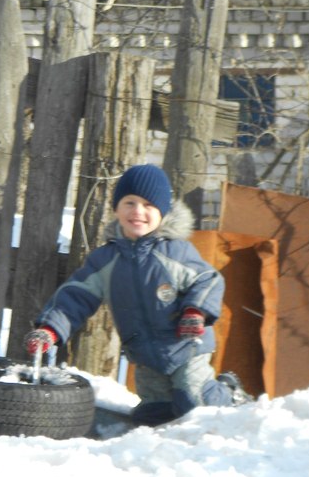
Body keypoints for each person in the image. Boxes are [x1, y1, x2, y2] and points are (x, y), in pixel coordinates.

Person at [25, 163, 252, 426]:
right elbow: (75, 296)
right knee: (153, 414)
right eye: (129, 203)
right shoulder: (105, 261)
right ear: (116, 209)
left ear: (163, 212)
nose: (138, 212)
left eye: (148, 205)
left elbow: (208, 280)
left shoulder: (175, 252)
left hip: (186, 345)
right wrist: (50, 329)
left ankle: (230, 396)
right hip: (143, 353)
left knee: (194, 402)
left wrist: (195, 311)